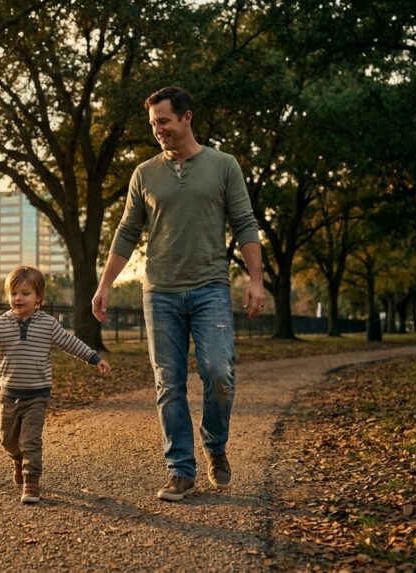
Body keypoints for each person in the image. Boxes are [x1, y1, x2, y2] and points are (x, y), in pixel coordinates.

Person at [92, 86, 265, 502]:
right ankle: (180, 471)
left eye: (164, 121)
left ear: (187, 117)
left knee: (218, 371)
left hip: (210, 289)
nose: (158, 131)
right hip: (161, 293)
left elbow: (244, 222)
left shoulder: (224, 166)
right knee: (168, 383)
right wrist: (105, 283)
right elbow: (127, 232)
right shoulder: (144, 173)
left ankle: (216, 445)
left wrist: (256, 280)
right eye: (153, 124)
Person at [0, 265, 111, 504]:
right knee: (8, 440)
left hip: (37, 394)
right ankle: (18, 460)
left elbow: (69, 342)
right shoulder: (1, 323)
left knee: (30, 440)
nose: (18, 298)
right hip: (9, 393)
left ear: (39, 298)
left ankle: (31, 482)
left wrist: (93, 357)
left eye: (25, 293)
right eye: (14, 293)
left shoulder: (48, 324)